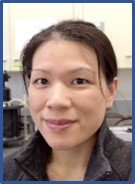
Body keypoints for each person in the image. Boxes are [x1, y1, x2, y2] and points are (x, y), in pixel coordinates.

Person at [3, 20, 131, 181]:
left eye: (79, 81)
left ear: (110, 92)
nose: (56, 101)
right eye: (42, 81)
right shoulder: (7, 172)